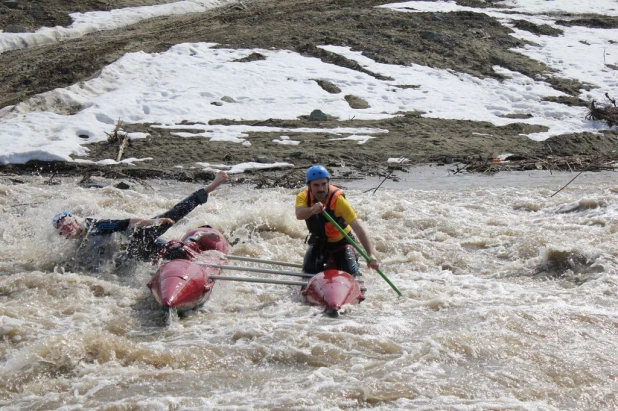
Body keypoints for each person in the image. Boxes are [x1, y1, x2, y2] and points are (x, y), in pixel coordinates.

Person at [52, 170, 228, 272]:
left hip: (138, 238)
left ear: (75, 221)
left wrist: (153, 223)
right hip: (133, 255)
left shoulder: (92, 226)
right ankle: (193, 245)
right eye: (63, 230)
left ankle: (212, 186)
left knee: (172, 215)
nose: (67, 230)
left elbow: (127, 222)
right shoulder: (73, 246)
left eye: (68, 225)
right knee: (175, 254)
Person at [295, 165, 379, 277]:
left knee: (351, 273)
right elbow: (299, 214)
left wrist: (371, 254)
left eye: (324, 184)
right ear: (309, 186)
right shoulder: (303, 197)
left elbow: (358, 227)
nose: (320, 189)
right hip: (318, 241)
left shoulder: (338, 200)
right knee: (309, 270)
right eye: (316, 185)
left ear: (328, 183)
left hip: (341, 242)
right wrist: (312, 210)